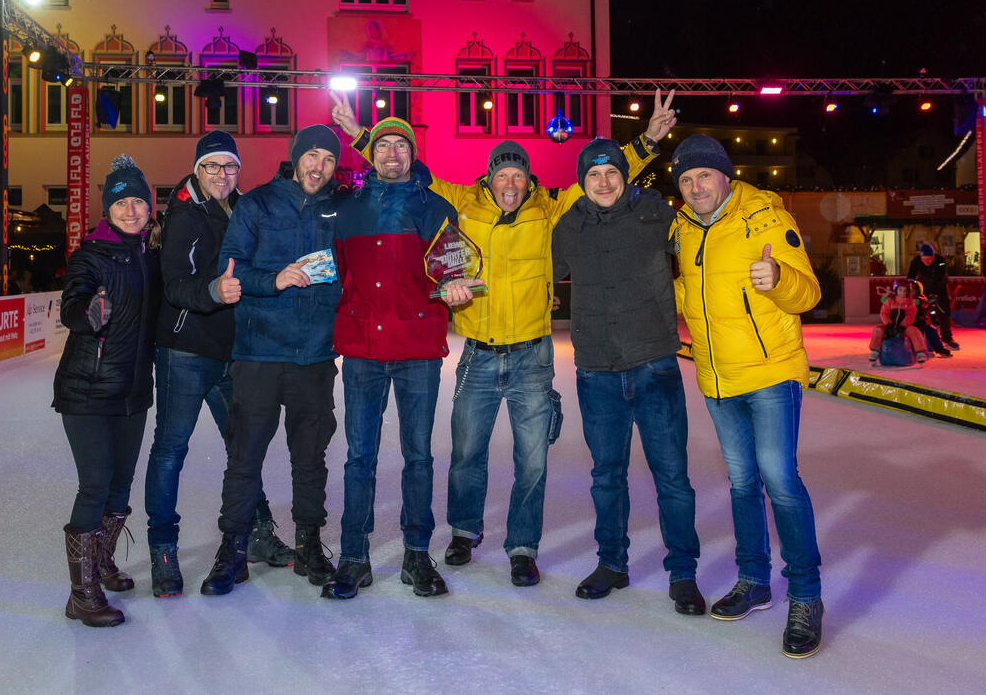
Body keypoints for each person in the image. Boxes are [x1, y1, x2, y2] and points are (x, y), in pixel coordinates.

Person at [332, 90, 676, 587]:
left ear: (528, 179)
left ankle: (521, 546)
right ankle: (464, 531)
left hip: (532, 353)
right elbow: (402, 171)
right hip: (477, 351)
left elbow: (601, 183)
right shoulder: (461, 201)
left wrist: (646, 142)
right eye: (501, 174)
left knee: (531, 460)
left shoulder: (550, 207)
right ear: (488, 177)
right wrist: (359, 135)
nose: (509, 183)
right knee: (467, 451)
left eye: (518, 175)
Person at [669, 134, 824, 658]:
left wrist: (778, 276)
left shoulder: (765, 217)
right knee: (741, 483)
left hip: (770, 373)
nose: (695, 187)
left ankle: (805, 593)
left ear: (725, 175)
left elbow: (810, 291)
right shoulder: (684, 230)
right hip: (716, 378)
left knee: (779, 480)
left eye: (703, 176)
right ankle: (755, 579)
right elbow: (687, 293)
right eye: (686, 180)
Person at [551, 138, 705, 613]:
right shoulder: (568, 227)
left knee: (672, 476)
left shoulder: (657, 215)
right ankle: (612, 563)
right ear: (583, 181)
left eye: (612, 173)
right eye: (594, 175)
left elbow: (706, 243)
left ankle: (683, 572)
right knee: (606, 476)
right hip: (596, 369)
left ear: (625, 176)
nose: (603, 182)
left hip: (654, 364)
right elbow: (538, 277)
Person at [145, 131, 293, 598]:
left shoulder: (242, 210)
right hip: (186, 351)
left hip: (233, 353)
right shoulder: (185, 215)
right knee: (171, 449)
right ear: (197, 170)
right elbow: (175, 284)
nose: (222, 176)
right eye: (212, 167)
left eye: (230, 167)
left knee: (243, 449)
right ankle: (163, 548)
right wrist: (213, 291)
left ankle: (257, 531)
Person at [200, 126, 345, 596]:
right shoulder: (258, 203)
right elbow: (232, 267)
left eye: (327, 158)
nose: (318, 166)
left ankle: (309, 543)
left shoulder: (338, 208)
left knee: (310, 458)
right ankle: (234, 548)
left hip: (315, 358)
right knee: (244, 459)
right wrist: (275, 279)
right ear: (296, 158)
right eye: (312, 156)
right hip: (258, 354)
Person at [320, 117, 458, 600]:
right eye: (384, 146)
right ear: (370, 154)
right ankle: (354, 557)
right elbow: (332, 272)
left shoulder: (436, 207)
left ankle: (417, 556)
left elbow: (452, 270)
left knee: (418, 456)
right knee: (360, 456)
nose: (392, 154)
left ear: (413, 153)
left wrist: (456, 288)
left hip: (417, 349)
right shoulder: (348, 209)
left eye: (402, 145)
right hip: (363, 349)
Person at [53, 155, 161, 627]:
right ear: (107, 209)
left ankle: (100, 563)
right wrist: (87, 312)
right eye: (123, 203)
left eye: (139, 201)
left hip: (133, 391)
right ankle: (81, 593)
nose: (132, 210)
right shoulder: (90, 255)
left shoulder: (150, 254)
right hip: (88, 390)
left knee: (120, 488)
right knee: (95, 486)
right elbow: (72, 305)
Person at [907, 243, 959, 350]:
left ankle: (947, 337)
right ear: (921, 257)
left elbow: (941, 277)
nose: (928, 262)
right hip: (923, 287)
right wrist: (911, 290)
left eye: (930, 259)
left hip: (940, 288)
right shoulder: (916, 261)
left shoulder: (940, 260)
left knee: (944, 312)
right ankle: (918, 337)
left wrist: (934, 293)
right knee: (919, 312)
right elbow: (910, 277)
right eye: (925, 259)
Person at [869, 279, 929, 364]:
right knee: (878, 330)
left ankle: (920, 352)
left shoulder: (910, 302)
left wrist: (903, 325)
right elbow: (884, 313)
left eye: (905, 290)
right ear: (896, 290)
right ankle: (874, 351)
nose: (902, 292)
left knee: (914, 331)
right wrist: (888, 324)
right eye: (900, 290)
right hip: (889, 325)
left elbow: (910, 316)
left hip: (903, 327)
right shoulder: (890, 300)